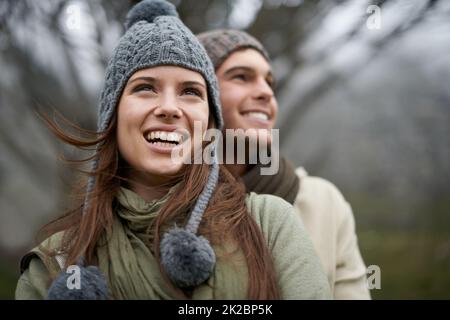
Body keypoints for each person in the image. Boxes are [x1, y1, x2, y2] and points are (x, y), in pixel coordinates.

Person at [15, 0, 331, 300]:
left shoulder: (270, 224)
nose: (169, 108)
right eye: (145, 87)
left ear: (209, 125)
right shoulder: (54, 264)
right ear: (113, 115)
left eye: (190, 91)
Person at [198, 29, 371, 299]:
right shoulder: (156, 202)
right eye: (241, 77)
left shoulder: (324, 203)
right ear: (199, 94)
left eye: (270, 82)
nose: (266, 93)